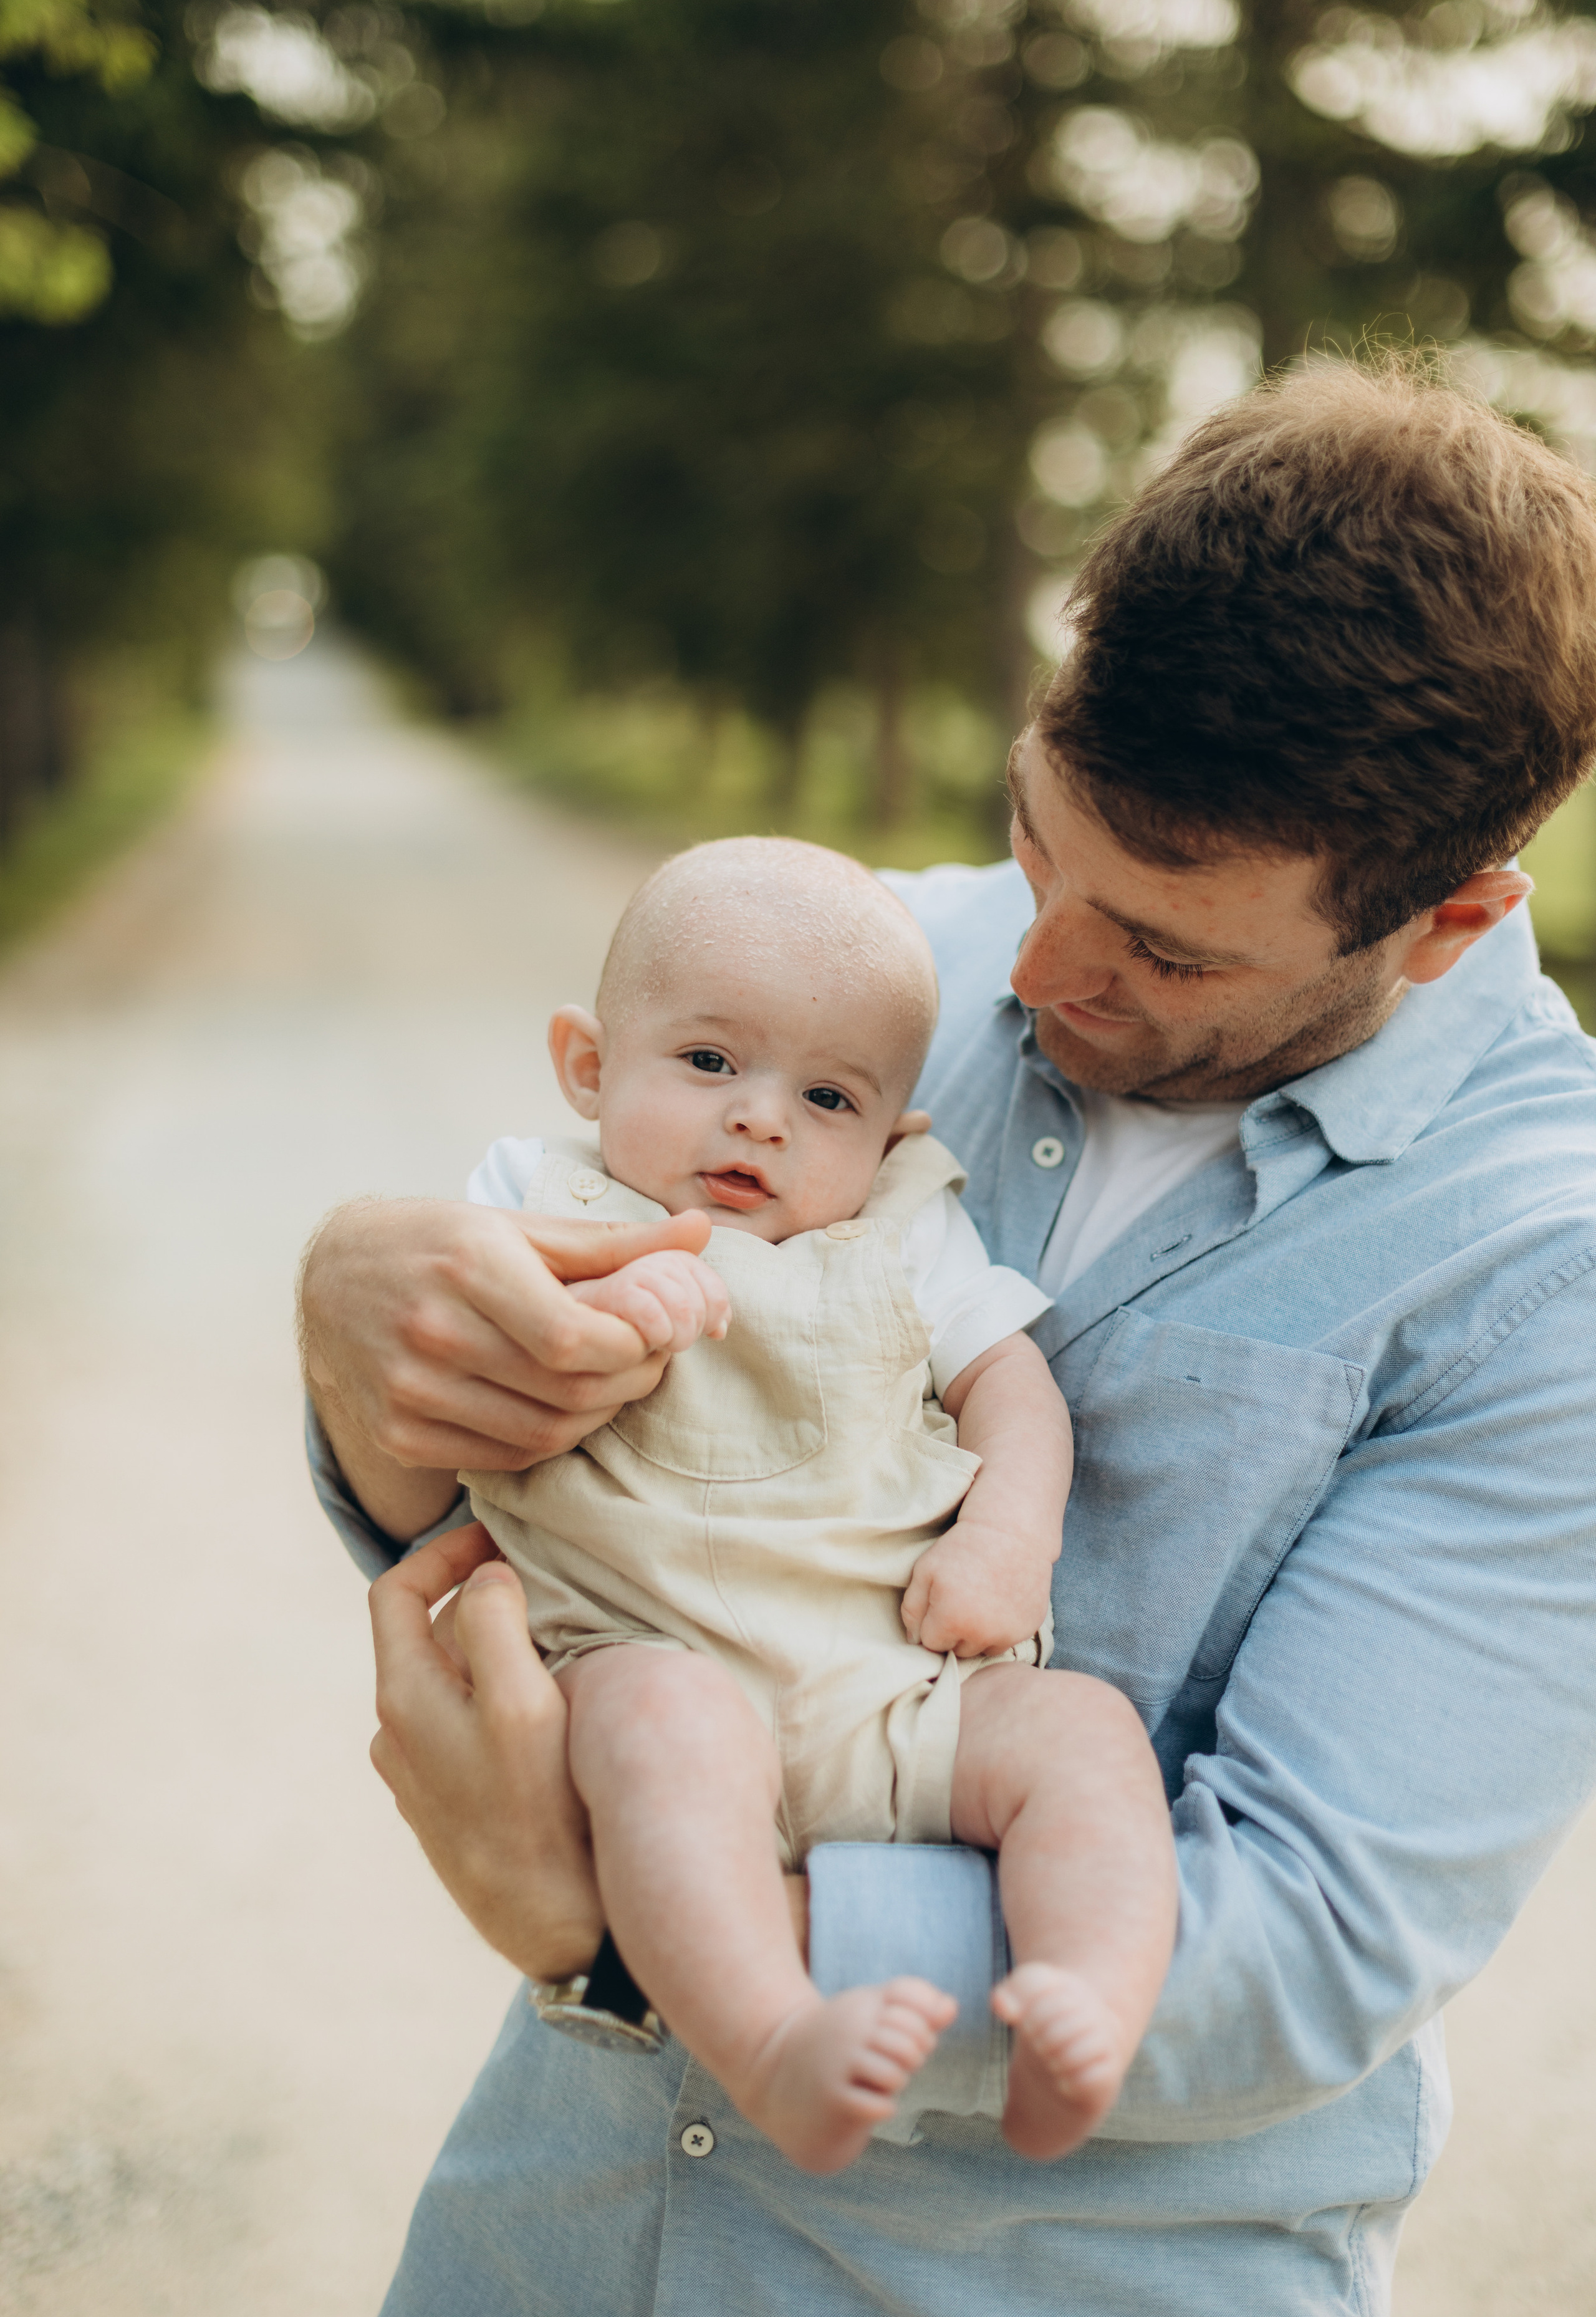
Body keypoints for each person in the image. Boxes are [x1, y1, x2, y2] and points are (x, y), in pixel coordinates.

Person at [300, 361, 1596, 2316]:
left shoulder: (1546, 1264)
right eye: (1032, 838)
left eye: (1166, 947)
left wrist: (655, 1936)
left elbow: (1315, 1937)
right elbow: (522, 1466)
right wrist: (348, 1326)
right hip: (560, 2224)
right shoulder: (871, 978)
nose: (1042, 965)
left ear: (1447, 919)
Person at [416, 837, 1177, 2172]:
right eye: (709, 1064)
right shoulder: (535, 1200)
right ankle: (771, 2045)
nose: (761, 1117)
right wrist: (581, 1311)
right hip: (654, 1667)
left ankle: (1085, 2005)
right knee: (661, 1733)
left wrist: (1008, 1536)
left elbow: (1013, 1385)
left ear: (892, 1137)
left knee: (1081, 1736)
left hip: (900, 1690)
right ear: (590, 1067)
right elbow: (445, 1359)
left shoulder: (899, 1229)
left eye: (826, 1097)